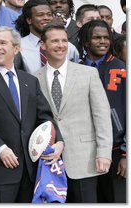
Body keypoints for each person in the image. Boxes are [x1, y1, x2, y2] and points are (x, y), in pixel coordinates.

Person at [0, 26, 64, 203]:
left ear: (16, 48)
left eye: (3, 43)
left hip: (31, 170)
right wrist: (0, 148)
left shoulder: (29, 80)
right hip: (0, 168)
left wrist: (59, 141)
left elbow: (44, 116)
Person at [33, 22, 113, 203]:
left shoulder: (89, 73)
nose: (61, 45)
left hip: (84, 159)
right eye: (54, 41)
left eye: (64, 40)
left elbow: (102, 116)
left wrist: (104, 154)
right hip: (48, 162)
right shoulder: (33, 78)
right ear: (43, 45)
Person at [78, 19, 126, 203]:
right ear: (86, 41)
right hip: (85, 152)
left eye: (106, 37)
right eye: (97, 37)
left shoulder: (121, 69)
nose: (103, 41)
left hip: (115, 151)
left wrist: (125, 154)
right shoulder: (77, 68)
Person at [15, 0, 79, 74]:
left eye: (49, 14)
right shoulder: (18, 46)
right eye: (40, 15)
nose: (46, 18)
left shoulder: (68, 47)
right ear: (29, 20)